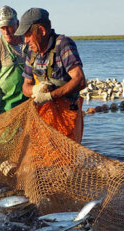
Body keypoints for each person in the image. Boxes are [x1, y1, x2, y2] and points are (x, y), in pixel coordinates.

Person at [16, 8, 86, 143]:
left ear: (41, 30)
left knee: (65, 160)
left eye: (28, 35)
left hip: (66, 119)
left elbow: (80, 80)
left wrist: (49, 96)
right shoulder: (31, 52)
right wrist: (34, 90)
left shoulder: (63, 45)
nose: (26, 40)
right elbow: (25, 86)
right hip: (42, 118)